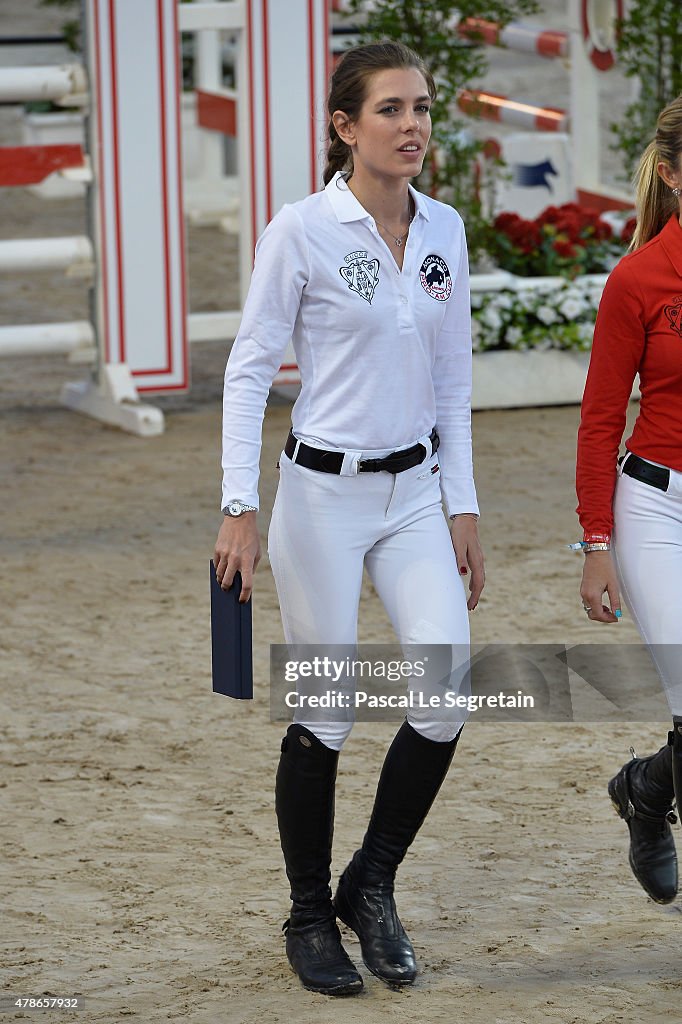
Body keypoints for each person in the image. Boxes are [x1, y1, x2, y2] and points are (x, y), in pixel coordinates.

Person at [214, 41, 484, 996]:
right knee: (326, 711)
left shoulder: (446, 229)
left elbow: (452, 381)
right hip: (322, 497)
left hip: (416, 494)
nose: (413, 126)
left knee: (445, 687)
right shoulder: (302, 230)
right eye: (391, 110)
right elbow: (250, 370)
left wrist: (464, 505)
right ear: (344, 126)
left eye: (421, 108)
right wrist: (238, 507)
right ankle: (305, 915)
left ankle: (369, 884)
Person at [576, 94, 682, 908]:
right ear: (673, 174)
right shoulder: (637, 280)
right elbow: (603, 416)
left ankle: (646, 792)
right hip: (656, 510)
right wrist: (596, 543)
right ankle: (649, 798)